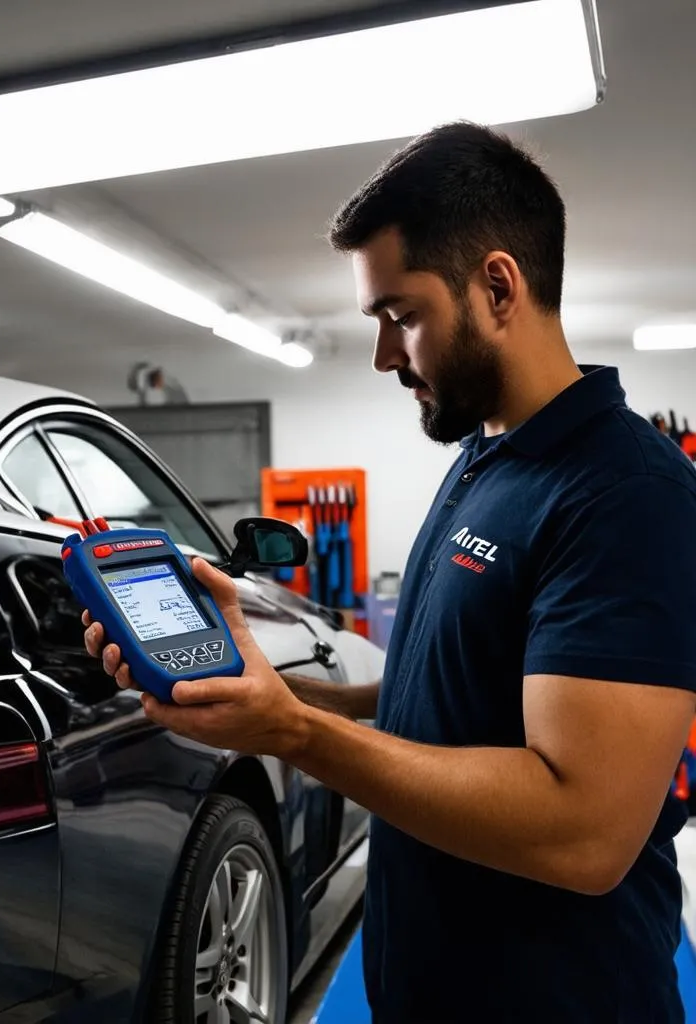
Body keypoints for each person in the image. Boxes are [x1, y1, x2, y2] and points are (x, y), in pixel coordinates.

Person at [82, 121, 696, 1022]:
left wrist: (296, 735)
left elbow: (583, 831)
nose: (384, 356)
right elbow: (442, 692)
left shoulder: (630, 494)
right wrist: (261, 681)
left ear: (497, 286)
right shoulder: (485, 456)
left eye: (401, 317)